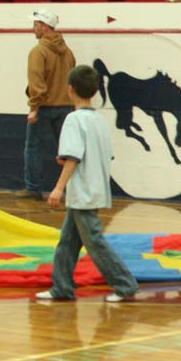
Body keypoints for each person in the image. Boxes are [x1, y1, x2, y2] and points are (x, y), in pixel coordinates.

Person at [36, 64, 140, 304]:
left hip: (82, 191)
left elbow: (73, 157)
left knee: (95, 243)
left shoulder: (73, 120)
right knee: (67, 242)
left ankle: (125, 285)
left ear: (70, 89)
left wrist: (58, 187)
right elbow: (100, 154)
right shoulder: (100, 121)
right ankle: (61, 287)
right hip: (93, 188)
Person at [22, 8, 76, 199]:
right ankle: (73, 188)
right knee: (69, 151)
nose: (33, 28)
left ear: (44, 27)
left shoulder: (38, 52)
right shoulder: (67, 52)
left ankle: (33, 189)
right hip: (67, 107)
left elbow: (37, 82)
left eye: (36, 24)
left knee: (33, 148)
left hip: (44, 107)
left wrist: (34, 107)